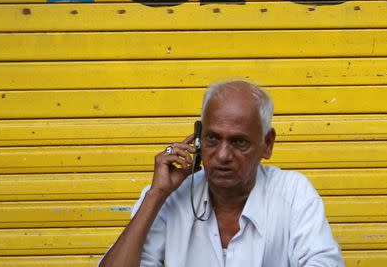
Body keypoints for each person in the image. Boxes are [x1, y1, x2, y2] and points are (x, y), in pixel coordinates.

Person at [99, 79, 345, 266]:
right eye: (212, 138)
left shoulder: (292, 193)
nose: (223, 155)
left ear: (267, 144)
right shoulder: (168, 198)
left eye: (239, 142)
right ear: (197, 139)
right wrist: (156, 195)